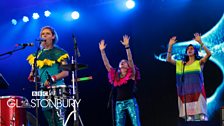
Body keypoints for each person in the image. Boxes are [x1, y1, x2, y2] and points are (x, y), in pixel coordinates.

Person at [27, 26, 69, 126]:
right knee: (50, 121)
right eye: (42, 34)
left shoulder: (59, 52)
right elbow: (34, 75)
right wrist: (33, 77)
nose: (44, 35)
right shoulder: (36, 55)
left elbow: (66, 72)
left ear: (53, 36)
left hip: (57, 89)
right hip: (44, 91)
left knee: (59, 121)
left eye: (47, 33)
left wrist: (52, 79)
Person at [166, 33, 212, 121]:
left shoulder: (199, 62)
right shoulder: (181, 64)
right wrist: (170, 46)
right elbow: (168, 59)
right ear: (186, 52)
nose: (189, 50)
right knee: (190, 120)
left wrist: (200, 42)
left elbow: (209, 54)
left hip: (198, 95)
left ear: (195, 51)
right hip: (186, 96)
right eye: (188, 49)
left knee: (202, 119)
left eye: (191, 48)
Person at [99, 35, 141, 126]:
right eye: (121, 62)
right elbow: (107, 64)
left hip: (130, 102)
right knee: (119, 124)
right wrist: (102, 51)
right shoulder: (115, 76)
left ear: (128, 65)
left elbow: (130, 59)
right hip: (119, 103)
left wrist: (127, 46)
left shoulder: (132, 74)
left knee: (136, 123)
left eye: (124, 61)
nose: (122, 62)